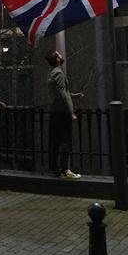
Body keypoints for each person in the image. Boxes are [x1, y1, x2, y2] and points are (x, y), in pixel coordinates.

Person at [46, 50, 84, 179]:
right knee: (65, 141)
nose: (61, 55)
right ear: (57, 59)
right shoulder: (59, 73)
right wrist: (71, 112)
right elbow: (62, 94)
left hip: (55, 111)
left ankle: (54, 169)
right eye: (59, 54)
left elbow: (61, 92)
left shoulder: (52, 73)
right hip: (62, 112)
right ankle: (65, 170)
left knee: (55, 141)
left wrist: (73, 95)